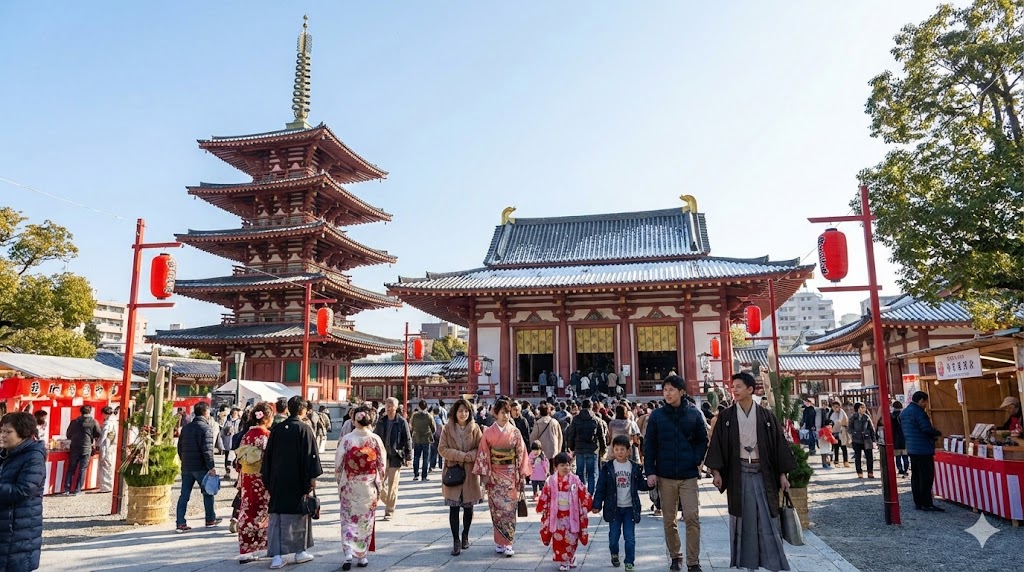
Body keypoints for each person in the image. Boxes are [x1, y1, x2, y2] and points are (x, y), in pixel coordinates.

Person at [704, 372, 795, 572]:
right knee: (743, 519)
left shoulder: (766, 416)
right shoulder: (726, 416)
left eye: (738, 386)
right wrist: (717, 472)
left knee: (767, 518)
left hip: (763, 473)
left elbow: (778, 446)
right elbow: (717, 446)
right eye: (733, 386)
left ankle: (772, 563)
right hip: (739, 474)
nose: (734, 390)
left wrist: (782, 475)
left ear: (750, 390)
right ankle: (747, 563)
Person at [643, 375, 707, 572]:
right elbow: (650, 446)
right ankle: (675, 555)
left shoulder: (694, 414)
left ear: (681, 392)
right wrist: (650, 472)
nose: (667, 393)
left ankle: (693, 560)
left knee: (691, 517)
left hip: (688, 474)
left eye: (671, 389)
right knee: (668, 519)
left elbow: (702, 440)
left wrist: (696, 460)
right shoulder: (656, 416)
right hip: (665, 474)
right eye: (665, 390)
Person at [262, 396, 323, 569]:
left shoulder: (277, 429)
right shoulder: (305, 429)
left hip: (277, 479)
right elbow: (312, 456)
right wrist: (312, 478)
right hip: (297, 479)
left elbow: (268, 457)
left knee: (277, 516)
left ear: (289, 409)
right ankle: (299, 552)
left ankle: (277, 556)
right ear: (303, 411)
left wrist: (268, 479)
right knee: (298, 516)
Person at [473, 397, 531, 557]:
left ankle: (508, 543)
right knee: (497, 511)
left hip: (511, 475)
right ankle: (499, 541)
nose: (505, 416)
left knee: (509, 510)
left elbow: (521, 453)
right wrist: (485, 475)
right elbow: (484, 454)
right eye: (502, 413)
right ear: (496, 413)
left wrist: (522, 473)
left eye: (507, 412)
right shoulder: (488, 433)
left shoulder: (515, 432)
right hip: (494, 476)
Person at [336, 404, 386, 570]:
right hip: (369, 485)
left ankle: (348, 553)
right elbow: (381, 465)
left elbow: (338, 464)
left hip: (350, 484)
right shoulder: (375, 439)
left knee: (348, 519)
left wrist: (340, 482)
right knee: (365, 520)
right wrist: (379, 483)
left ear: (353, 419)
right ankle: (362, 556)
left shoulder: (347, 439)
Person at [592, 435, 650, 572]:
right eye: (616, 449)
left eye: (622, 449)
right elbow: (601, 487)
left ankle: (629, 562)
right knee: (614, 536)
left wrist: (650, 484)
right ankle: (614, 554)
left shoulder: (634, 467)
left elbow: (641, 484)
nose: (619, 452)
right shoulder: (608, 467)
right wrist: (596, 504)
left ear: (628, 451)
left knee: (629, 537)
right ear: (613, 450)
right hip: (614, 508)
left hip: (630, 507)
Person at [0, 412, 46, 572]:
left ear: (23, 432)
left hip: (19, 529)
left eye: (8, 432)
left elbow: (24, 490)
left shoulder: (33, 456)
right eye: (2, 431)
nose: (3, 435)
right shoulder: (6, 454)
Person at [437, 398, 484, 556]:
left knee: (468, 508)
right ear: (455, 413)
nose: (463, 414)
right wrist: (461, 456)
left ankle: (465, 535)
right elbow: (442, 449)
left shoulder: (475, 428)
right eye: (460, 411)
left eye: (466, 411)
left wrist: (469, 456)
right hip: (453, 471)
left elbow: (480, 448)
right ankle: (455, 540)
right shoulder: (447, 429)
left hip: (470, 472)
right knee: (454, 508)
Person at [537, 452, 592, 571]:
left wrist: (587, 503)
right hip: (557, 515)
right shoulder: (551, 480)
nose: (566, 468)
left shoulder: (575, 479)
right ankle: (563, 561)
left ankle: (570, 557)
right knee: (558, 538)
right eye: (562, 465)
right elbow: (545, 494)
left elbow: (583, 492)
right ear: (555, 467)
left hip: (571, 514)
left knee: (572, 538)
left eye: (568, 465)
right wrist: (541, 505)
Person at [235, 402, 273, 563]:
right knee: (262, 511)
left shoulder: (246, 436)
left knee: (246, 509)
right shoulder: (266, 436)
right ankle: (261, 546)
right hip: (262, 478)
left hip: (247, 478)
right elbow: (271, 460)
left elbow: (239, 460)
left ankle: (245, 549)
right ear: (267, 418)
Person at [175, 402, 220, 533]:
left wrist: (184, 460)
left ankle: (180, 522)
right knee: (207, 493)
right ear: (206, 413)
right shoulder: (206, 428)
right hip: (201, 467)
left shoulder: (186, 428)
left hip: (187, 466)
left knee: (184, 495)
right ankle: (210, 519)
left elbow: (180, 447)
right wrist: (211, 466)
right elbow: (208, 450)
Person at [900, 391, 944, 511]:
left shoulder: (904, 412)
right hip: (923, 449)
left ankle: (918, 503)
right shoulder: (919, 412)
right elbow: (926, 429)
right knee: (926, 477)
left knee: (916, 477)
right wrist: (937, 433)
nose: (925, 404)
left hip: (912, 448)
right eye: (925, 402)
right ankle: (927, 503)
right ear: (920, 400)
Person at [374, 397, 412, 520]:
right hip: (383, 457)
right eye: (387, 405)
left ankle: (389, 510)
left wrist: (408, 456)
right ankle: (388, 502)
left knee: (392, 484)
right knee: (378, 483)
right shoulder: (381, 421)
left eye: (391, 405)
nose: (389, 408)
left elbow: (407, 439)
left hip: (395, 456)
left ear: (396, 407)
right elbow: (375, 436)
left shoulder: (401, 421)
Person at [564, 399, 607, 495]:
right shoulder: (596, 419)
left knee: (580, 472)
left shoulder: (576, 419)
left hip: (579, 448)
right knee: (592, 473)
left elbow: (572, 434)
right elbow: (601, 436)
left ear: (581, 407)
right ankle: (590, 493)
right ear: (591, 407)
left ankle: (581, 491)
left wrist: (571, 446)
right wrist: (603, 448)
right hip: (593, 449)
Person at [63, 405, 101, 495]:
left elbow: (68, 434)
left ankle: (66, 489)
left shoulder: (74, 422)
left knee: (71, 469)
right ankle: (77, 490)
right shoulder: (93, 422)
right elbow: (98, 433)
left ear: (81, 412)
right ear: (90, 411)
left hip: (75, 447)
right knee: (82, 469)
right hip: (86, 447)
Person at [530, 403, 563, 473]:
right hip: (554, 449)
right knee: (553, 470)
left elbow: (533, 437)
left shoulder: (538, 423)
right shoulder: (555, 422)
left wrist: (533, 449)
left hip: (542, 450)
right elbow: (560, 436)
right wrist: (559, 449)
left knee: (543, 470)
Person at [849, 402, 875, 478]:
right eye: (861, 407)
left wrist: (873, 439)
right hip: (856, 440)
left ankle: (870, 472)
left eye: (864, 407)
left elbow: (871, 428)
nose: (863, 409)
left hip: (867, 439)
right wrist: (854, 433)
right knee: (858, 457)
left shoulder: (867, 417)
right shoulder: (853, 417)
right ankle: (859, 472)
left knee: (869, 456)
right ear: (857, 409)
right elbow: (849, 428)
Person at [410, 400, 434, 482]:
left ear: (418, 406)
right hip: (426, 439)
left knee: (416, 457)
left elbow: (411, 426)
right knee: (425, 458)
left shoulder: (414, 416)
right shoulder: (429, 416)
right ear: (426, 407)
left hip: (417, 438)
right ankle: (424, 476)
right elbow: (433, 428)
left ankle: (416, 475)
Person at [98, 406, 118, 493]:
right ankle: (110, 485)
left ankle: (106, 486)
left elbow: (104, 436)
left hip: (106, 445)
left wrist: (98, 444)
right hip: (113, 446)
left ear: (104, 414)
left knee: (105, 465)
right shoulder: (116, 422)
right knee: (110, 465)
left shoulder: (107, 423)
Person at [220, 408, 241, 480]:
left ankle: (238, 473)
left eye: (236, 413)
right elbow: (223, 431)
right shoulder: (227, 421)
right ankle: (227, 472)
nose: (235, 414)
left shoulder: (240, 421)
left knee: (237, 458)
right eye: (234, 413)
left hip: (237, 442)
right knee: (227, 457)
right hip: (228, 442)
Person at [889, 401, 909, 477]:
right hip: (904, 438)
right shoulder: (904, 415)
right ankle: (906, 469)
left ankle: (900, 469)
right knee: (905, 456)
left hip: (895, 438)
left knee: (898, 456)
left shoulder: (891, 416)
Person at [827, 402, 850, 468]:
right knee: (836, 447)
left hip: (842, 431)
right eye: (834, 407)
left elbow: (840, 421)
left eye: (836, 406)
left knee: (843, 447)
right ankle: (836, 461)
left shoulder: (842, 412)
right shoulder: (832, 414)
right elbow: (831, 422)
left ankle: (845, 461)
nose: (835, 408)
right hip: (835, 432)